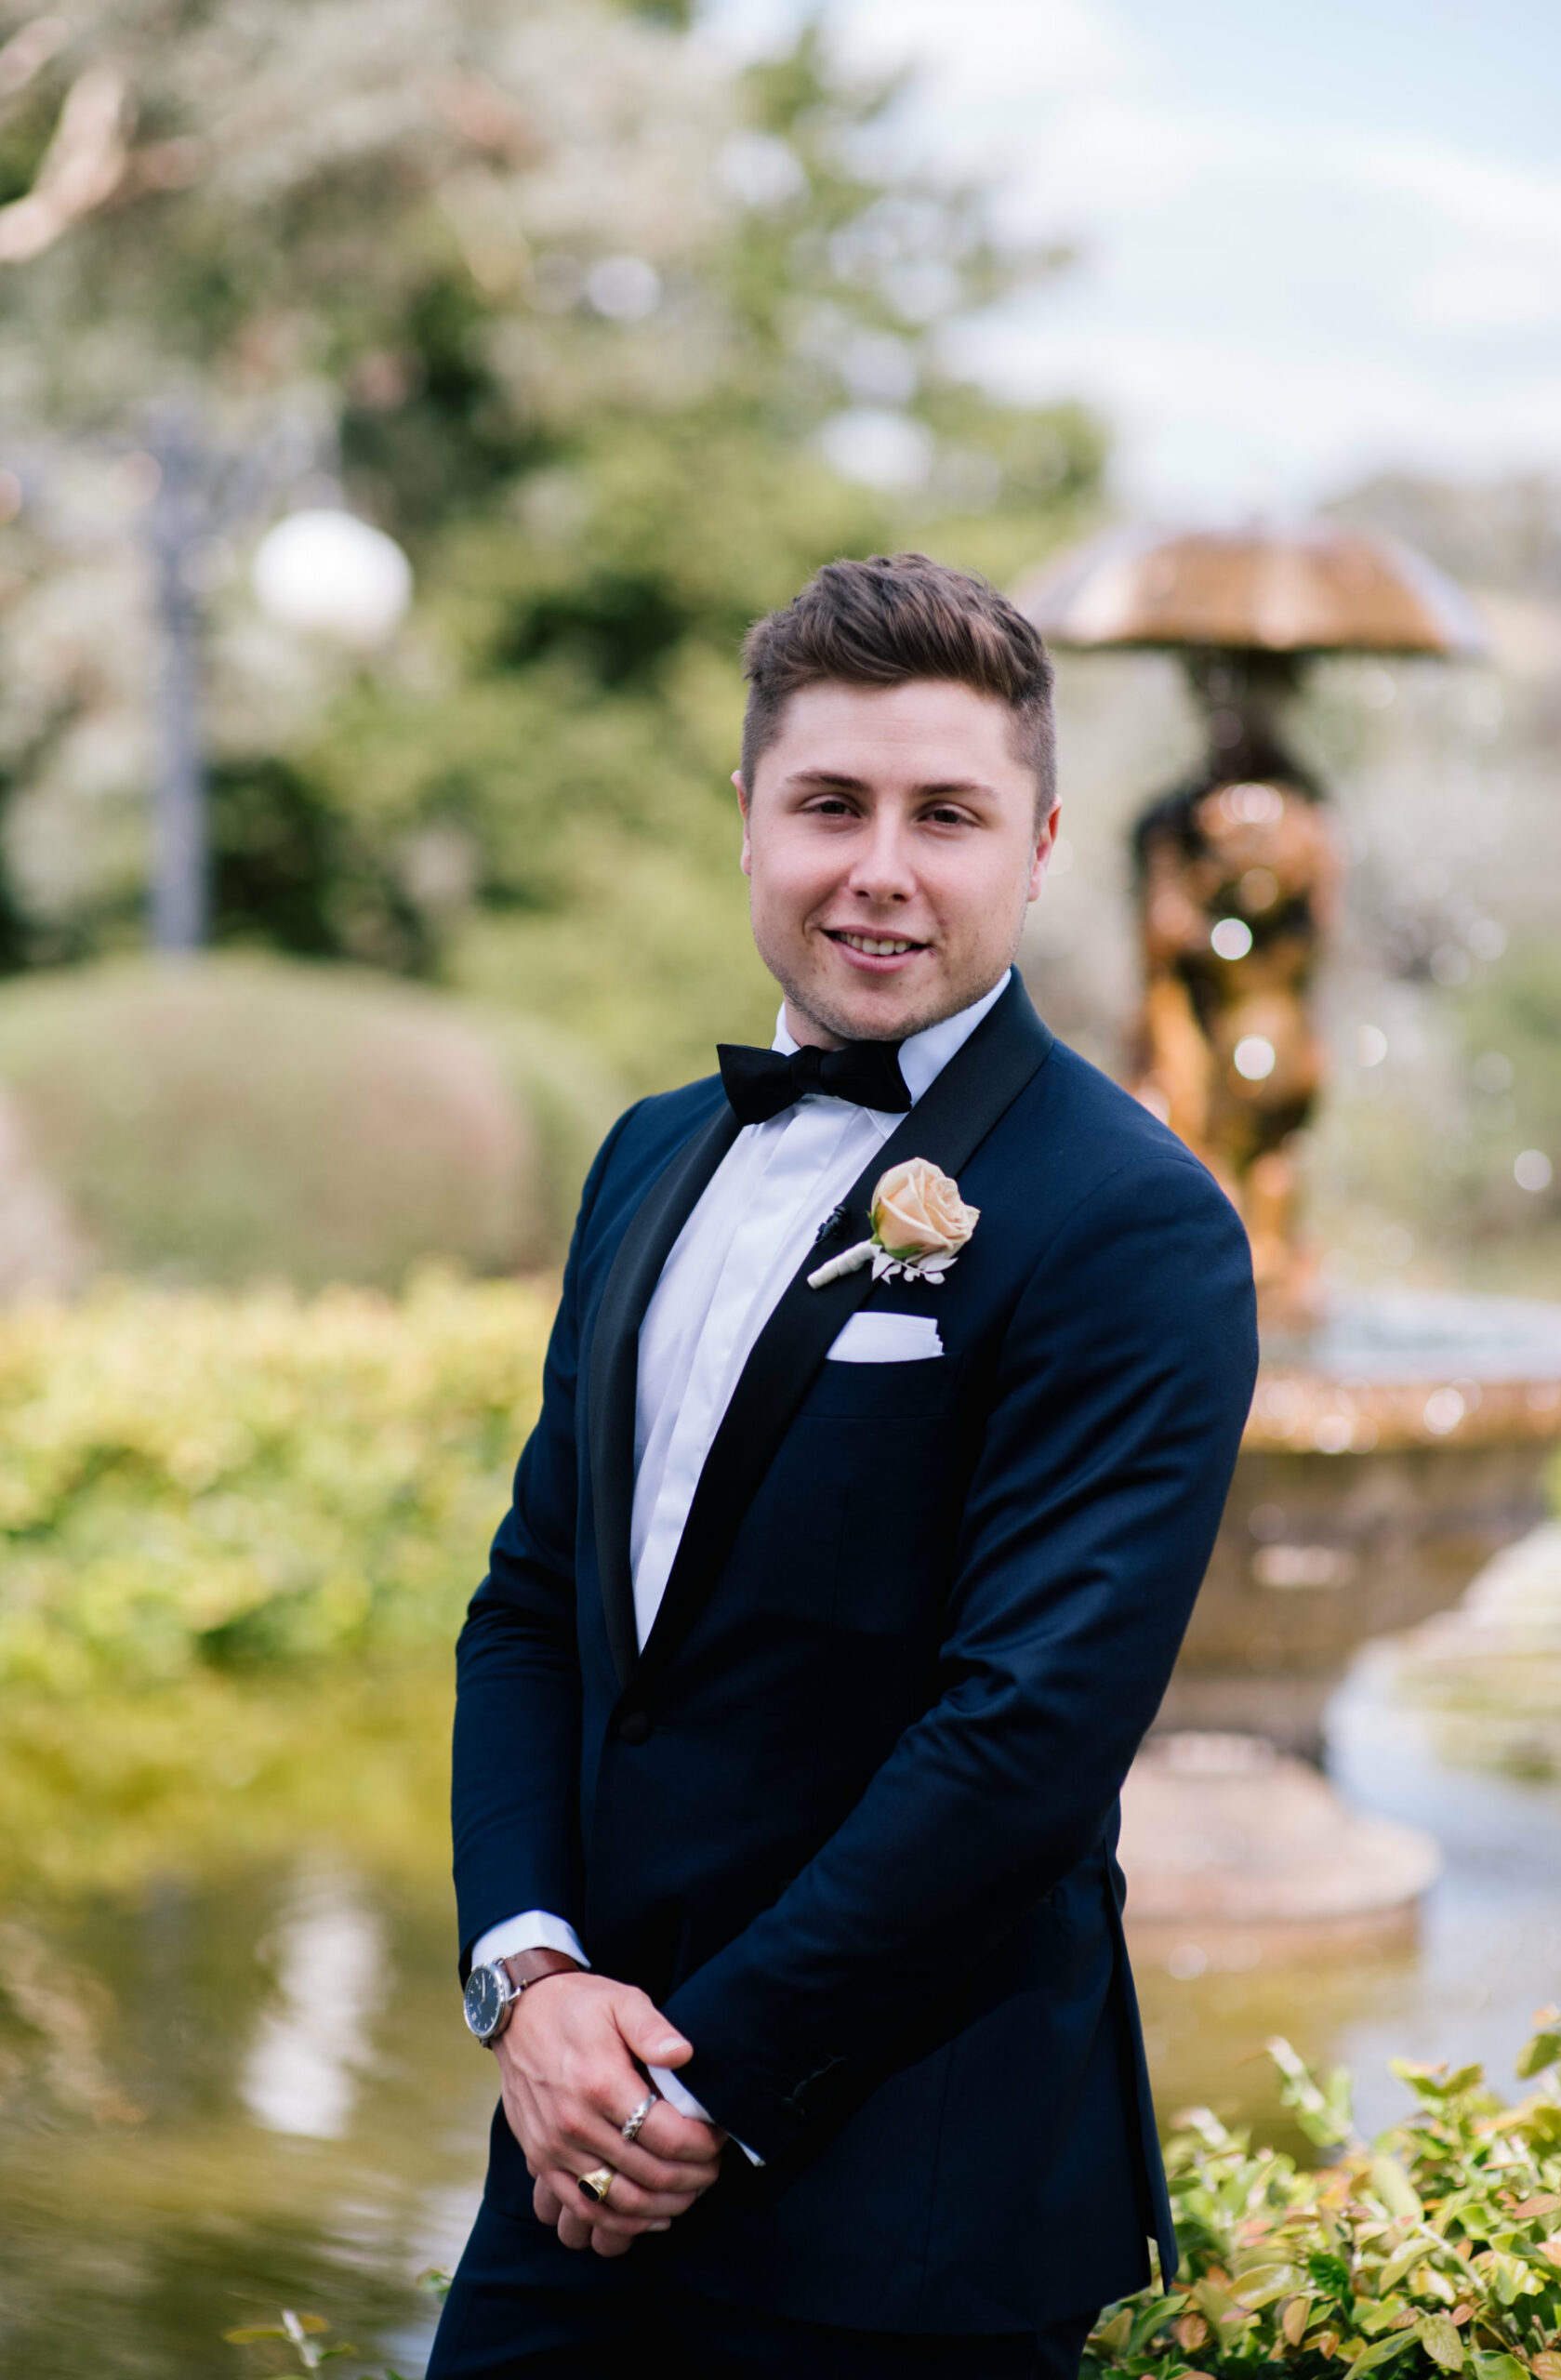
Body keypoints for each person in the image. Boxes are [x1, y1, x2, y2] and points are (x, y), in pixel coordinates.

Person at [428, 553, 1258, 2378]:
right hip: (571, 2149)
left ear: (1037, 847)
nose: (880, 867)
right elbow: (534, 1604)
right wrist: (530, 1976)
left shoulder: (1132, 1220)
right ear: (747, 821)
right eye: (829, 803)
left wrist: (704, 2082)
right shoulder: (647, 1156)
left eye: (945, 813)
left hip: (904, 2203)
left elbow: (1023, 1737)